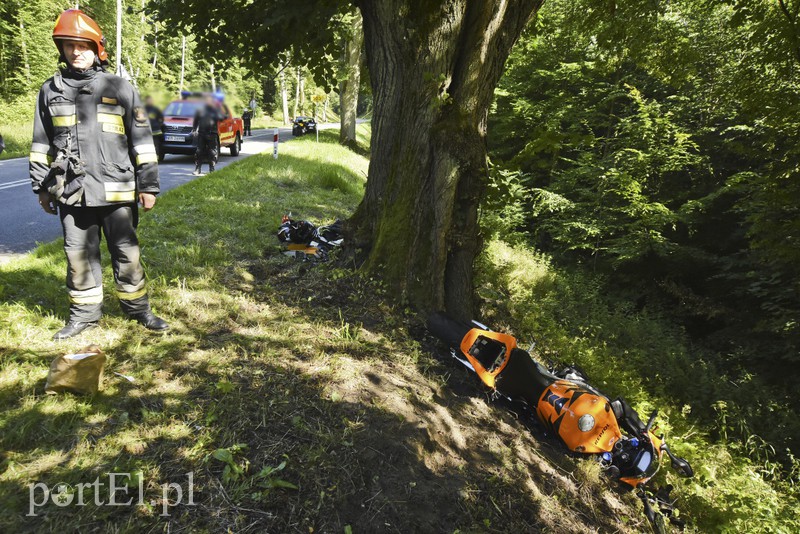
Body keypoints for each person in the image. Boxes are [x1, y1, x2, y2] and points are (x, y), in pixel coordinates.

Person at [29, 9, 169, 340]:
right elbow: (40, 144)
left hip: (118, 190)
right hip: (73, 193)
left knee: (126, 252)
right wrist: (42, 189)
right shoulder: (50, 91)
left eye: (83, 45)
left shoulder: (120, 87)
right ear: (61, 49)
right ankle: (84, 317)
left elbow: (142, 141)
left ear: (97, 48)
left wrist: (148, 185)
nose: (76, 52)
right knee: (79, 256)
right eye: (68, 45)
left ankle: (138, 310)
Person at [192, 96, 219, 175]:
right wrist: (194, 129)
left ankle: (212, 169)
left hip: (212, 133)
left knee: (212, 152)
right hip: (202, 133)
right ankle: (198, 169)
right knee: (199, 151)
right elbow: (196, 120)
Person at [144, 96, 165, 161]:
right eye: (148, 100)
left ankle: (156, 158)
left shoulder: (156, 109)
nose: (149, 101)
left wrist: (159, 124)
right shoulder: (143, 109)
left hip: (155, 131)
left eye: (150, 100)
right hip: (146, 130)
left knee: (155, 145)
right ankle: (147, 158)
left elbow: (161, 118)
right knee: (146, 145)